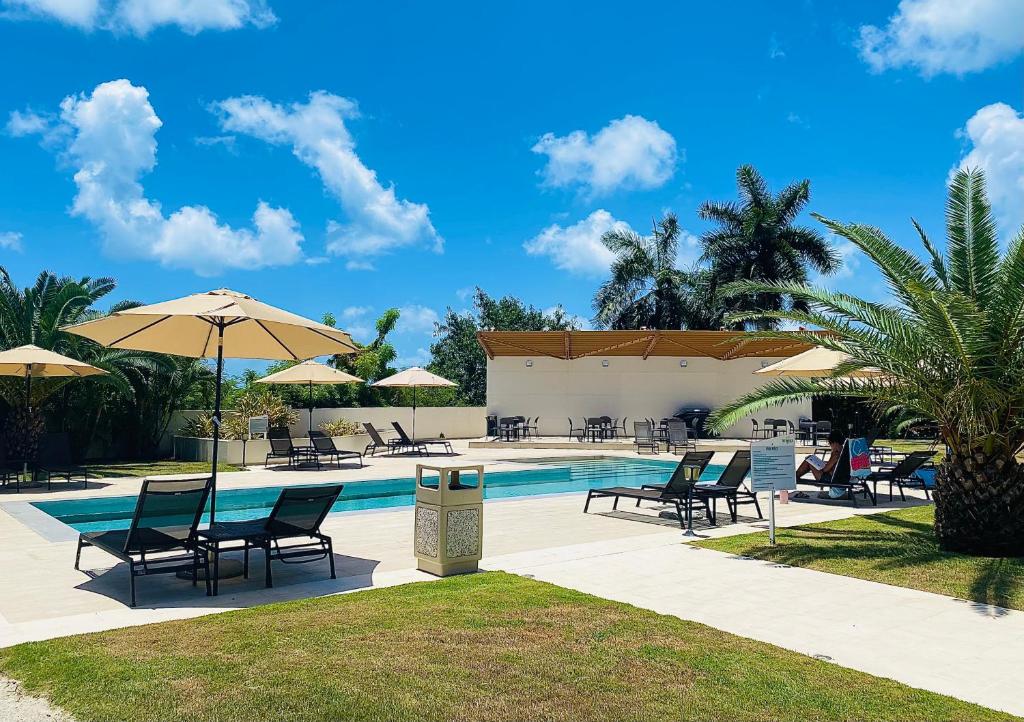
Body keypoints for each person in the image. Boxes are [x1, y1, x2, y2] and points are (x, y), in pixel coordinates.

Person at [793, 430, 846, 498]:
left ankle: (794, 477)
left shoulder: (836, 454)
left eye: (830, 443)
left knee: (809, 461)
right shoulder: (843, 451)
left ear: (834, 442)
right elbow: (833, 466)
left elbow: (825, 470)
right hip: (834, 478)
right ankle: (795, 476)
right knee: (811, 460)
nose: (830, 446)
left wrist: (818, 464)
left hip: (828, 479)